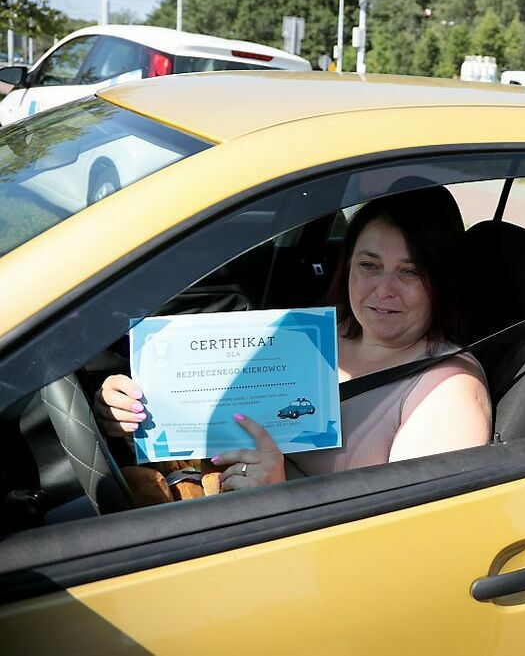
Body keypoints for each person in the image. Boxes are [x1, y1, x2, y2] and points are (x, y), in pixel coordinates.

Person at [93, 188, 492, 491]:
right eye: (369, 265)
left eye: (409, 272)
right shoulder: (313, 340)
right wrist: (132, 412)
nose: (383, 289)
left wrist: (278, 493)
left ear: (441, 280)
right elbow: (213, 417)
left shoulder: (448, 390)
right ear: (347, 265)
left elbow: (414, 539)